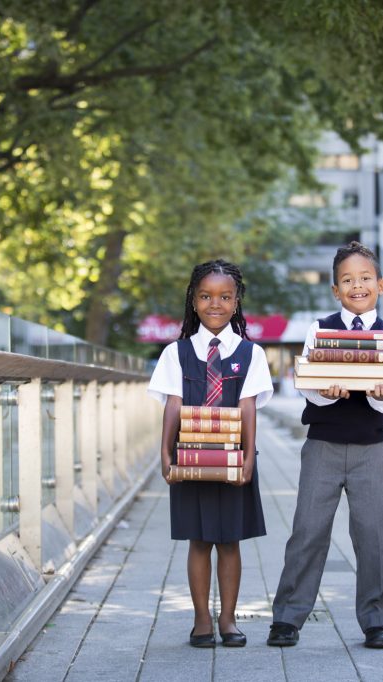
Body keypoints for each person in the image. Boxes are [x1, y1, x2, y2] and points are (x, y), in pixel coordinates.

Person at [268, 241, 383, 650]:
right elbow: (310, 388)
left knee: (375, 534)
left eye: (365, 278)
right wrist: (329, 391)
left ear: (380, 284)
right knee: (308, 530)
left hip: (370, 448)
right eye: (347, 280)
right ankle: (288, 617)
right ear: (335, 290)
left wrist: (380, 391)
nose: (357, 286)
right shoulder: (320, 330)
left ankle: (378, 620)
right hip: (323, 447)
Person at [147, 259, 273, 648]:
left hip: (233, 458)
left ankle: (228, 619)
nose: (214, 304)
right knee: (198, 540)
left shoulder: (250, 354)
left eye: (224, 297)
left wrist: (249, 456)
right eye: (205, 296)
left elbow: (248, 406)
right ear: (193, 300)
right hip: (192, 458)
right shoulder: (176, 352)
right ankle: (202, 619)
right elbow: (172, 404)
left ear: (236, 302)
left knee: (230, 540)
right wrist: (165, 452)